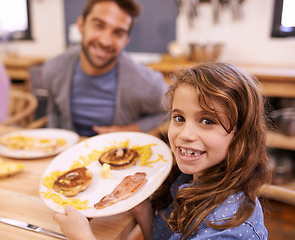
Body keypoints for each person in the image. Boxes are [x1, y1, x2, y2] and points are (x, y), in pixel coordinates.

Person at [53, 62, 273, 240]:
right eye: (179, 118)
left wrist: (82, 236)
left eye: (207, 121)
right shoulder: (188, 179)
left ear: (242, 135)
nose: (185, 134)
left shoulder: (227, 230)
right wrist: (142, 211)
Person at [42, 0, 168, 137]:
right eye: (99, 26)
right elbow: (55, 113)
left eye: (118, 33)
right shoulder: (53, 69)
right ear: (81, 25)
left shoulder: (147, 84)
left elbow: (171, 112)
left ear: (126, 40)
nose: (105, 41)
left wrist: (133, 128)